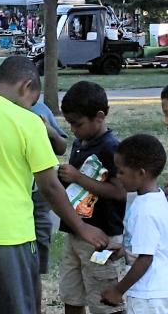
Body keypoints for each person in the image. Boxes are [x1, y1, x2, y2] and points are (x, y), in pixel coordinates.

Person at [0, 56, 109, 314]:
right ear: (26, 86)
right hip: (11, 236)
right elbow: (50, 187)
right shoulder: (28, 122)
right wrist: (82, 228)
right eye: (32, 100)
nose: (31, 106)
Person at [58, 81, 127, 314]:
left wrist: (77, 177)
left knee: (103, 299)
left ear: (99, 117)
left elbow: (119, 191)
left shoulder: (111, 148)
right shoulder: (81, 143)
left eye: (77, 124)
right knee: (72, 294)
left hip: (101, 235)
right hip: (76, 231)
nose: (73, 130)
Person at [101, 134, 168, 312]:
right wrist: (124, 250)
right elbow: (153, 246)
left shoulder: (145, 211)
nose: (118, 176)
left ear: (140, 173)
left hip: (148, 295)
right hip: (157, 290)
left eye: (121, 171)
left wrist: (117, 291)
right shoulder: (156, 197)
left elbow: (146, 259)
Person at [31, 101, 68, 314]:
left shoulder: (39, 109)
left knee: (34, 268)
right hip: (8, 200)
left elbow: (61, 145)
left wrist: (49, 130)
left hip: (38, 197)